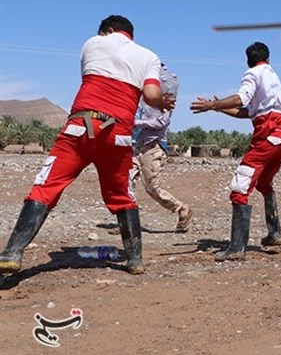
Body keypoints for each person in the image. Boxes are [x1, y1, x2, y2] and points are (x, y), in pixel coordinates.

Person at [0, 15, 175, 276]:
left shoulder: (92, 43)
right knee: (122, 194)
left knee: (45, 186)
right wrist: (163, 102)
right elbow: (150, 96)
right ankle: (135, 260)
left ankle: (13, 251)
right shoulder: (148, 56)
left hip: (79, 128)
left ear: (108, 31)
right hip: (117, 135)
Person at [190, 42, 281, 261]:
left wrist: (210, 105)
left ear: (248, 60)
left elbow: (240, 99)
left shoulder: (252, 73)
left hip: (267, 135)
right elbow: (248, 111)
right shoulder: (272, 75)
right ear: (268, 57)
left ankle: (237, 247)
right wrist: (219, 107)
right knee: (264, 183)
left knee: (240, 187)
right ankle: (274, 233)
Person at [127, 64, 192, 232]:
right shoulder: (146, 101)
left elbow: (161, 122)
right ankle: (127, 219)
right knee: (127, 180)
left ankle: (181, 208)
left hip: (154, 148)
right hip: (139, 147)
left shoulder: (167, 102)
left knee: (152, 188)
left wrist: (136, 123)